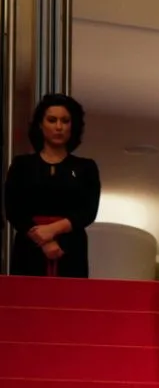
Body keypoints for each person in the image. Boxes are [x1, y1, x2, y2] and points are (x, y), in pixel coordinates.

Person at [4, 94, 100, 278]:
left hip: (71, 245)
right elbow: (13, 210)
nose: (58, 127)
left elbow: (88, 211)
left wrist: (53, 230)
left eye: (65, 121)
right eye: (52, 120)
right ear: (40, 125)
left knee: (70, 301)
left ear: (73, 126)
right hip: (29, 244)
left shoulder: (86, 167)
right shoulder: (22, 165)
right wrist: (44, 240)